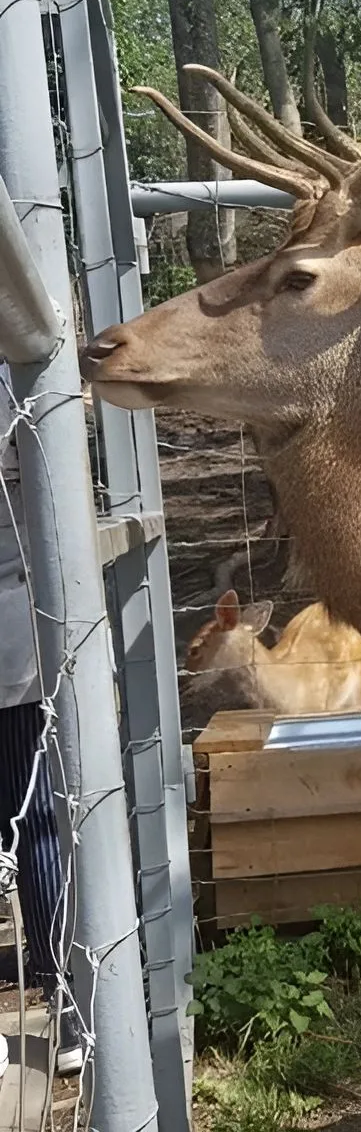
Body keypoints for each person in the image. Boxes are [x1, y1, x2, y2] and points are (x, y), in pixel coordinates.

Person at [0, 363, 83, 1076]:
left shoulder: (15, 374)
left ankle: (65, 998)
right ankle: (62, 1000)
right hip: (17, 640)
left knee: (37, 827)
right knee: (36, 825)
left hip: (14, 648)